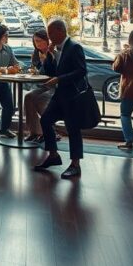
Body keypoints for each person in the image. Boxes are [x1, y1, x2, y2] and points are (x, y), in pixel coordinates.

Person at [34, 19, 88, 180]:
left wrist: (59, 79)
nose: (49, 37)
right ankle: (53, 155)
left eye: (50, 33)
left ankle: (75, 165)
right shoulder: (57, 49)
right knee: (45, 120)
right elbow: (51, 71)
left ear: (60, 31)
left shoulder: (74, 47)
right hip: (60, 95)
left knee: (73, 129)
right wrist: (48, 56)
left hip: (72, 95)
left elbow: (81, 71)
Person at [23, 29, 57, 144]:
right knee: (28, 97)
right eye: (35, 41)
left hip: (53, 86)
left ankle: (49, 131)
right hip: (42, 85)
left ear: (47, 41)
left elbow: (52, 72)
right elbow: (38, 71)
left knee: (38, 99)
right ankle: (35, 132)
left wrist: (45, 61)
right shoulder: (36, 54)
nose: (37, 44)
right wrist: (34, 70)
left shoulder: (53, 53)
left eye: (39, 41)